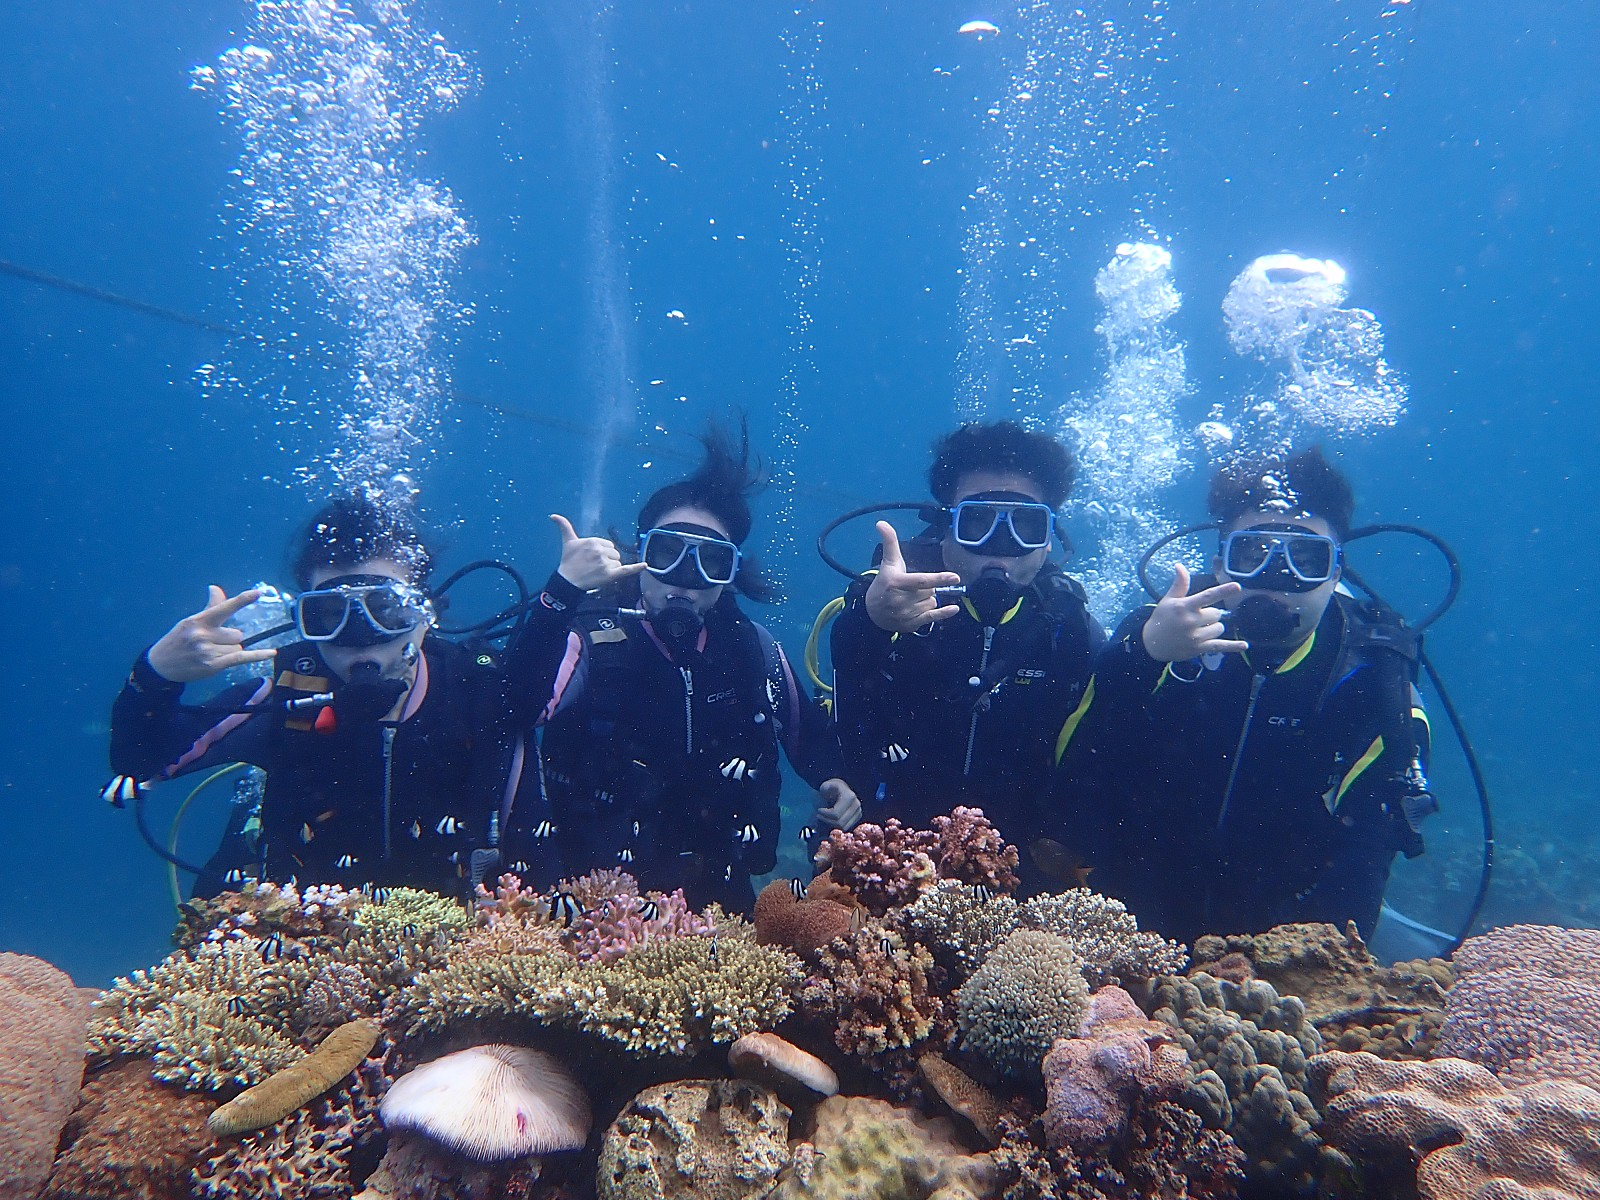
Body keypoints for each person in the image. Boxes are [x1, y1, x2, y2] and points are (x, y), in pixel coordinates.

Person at [1052, 447, 1435, 942]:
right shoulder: (1160, 640)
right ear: (1218, 564)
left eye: (1306, 559)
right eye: (1253, 555)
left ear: (1336, 573)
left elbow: (1365, 861)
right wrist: (1143, 656)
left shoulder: (1372, 680)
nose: (1277, 579)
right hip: (1128, 924)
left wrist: (1306, 969)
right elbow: (1072, 771)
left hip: (1279, 943)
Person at [505, 422, 853, 911]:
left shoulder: (752, 649)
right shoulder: (592, 641)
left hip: (718, 893)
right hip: (594, 897)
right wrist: (560, 593)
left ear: (730, 575)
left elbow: (807, 736)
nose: (686, 581)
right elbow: (515, 708)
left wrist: (833, 780)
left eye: (710, 562)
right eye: (667, 554)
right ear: (639, 555)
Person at [108, 495, 527, 898]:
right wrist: (155, 676)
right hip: (295, 939)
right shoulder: (286, 691)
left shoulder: (477, 688)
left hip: (456, 941)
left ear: (425, 613)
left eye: (386, 609)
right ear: (303, 621)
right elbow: (139, 759)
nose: (360, 637)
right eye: (329, 615)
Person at [827, 421, 1103, 854]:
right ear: (945, 527)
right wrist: (870, 622)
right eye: (977, 520)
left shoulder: (1069, 630)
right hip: (883, 852)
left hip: (1014, 867)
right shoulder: (894, 598)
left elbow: (1096, 750)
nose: (1000, 544)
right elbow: (848, 677)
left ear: (1049, 541)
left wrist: (1141, 656)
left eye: (1025, 526)